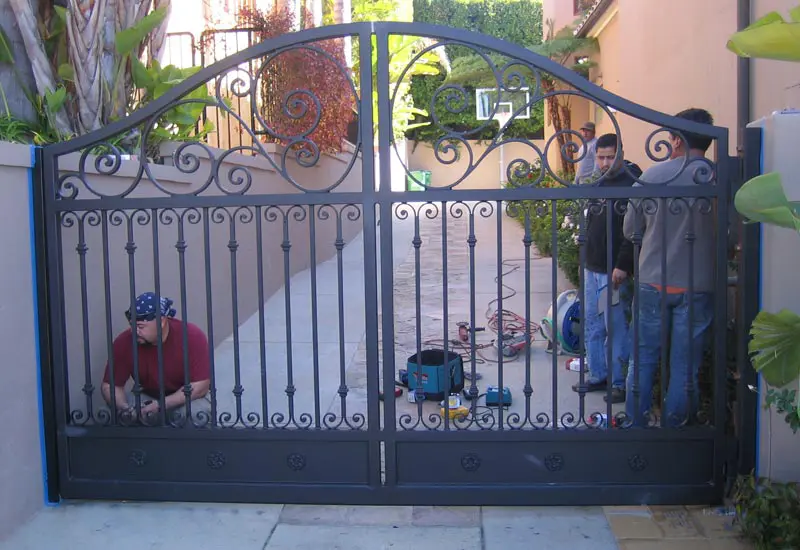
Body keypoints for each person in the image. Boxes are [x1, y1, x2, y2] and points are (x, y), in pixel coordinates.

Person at [622, 108, 716, 427]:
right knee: (685, 367)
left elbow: (629, 230)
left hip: (653, 280)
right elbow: (731, 234)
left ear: (675, 139)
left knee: (643, 358)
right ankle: (676, 431)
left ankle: (636, 427)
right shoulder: (718, 177)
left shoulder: (653, 175)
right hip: (698, 283)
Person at [572, 133, 641, 404]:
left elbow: (633, 231)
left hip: (612, 272)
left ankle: (619, 382)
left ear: (621, 154)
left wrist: (623, 265)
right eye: (600, 157)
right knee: (592, 323)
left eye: (610, 157)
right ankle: (599, 374)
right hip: (592, 267)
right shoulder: (599, 183)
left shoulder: (633, 183)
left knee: (615, 327)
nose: (604, 162)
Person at [101, 292, 212, 423]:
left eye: (141, 327)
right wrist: (125, 409)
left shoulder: (191, 336)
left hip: (186, 398)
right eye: (132, 325)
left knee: (194, 414)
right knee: (107, 414)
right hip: (146, 396)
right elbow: (110, 386)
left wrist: (161, 404)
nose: (135, 331)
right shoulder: (124, 341)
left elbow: (201, 386)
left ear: (162, 321)